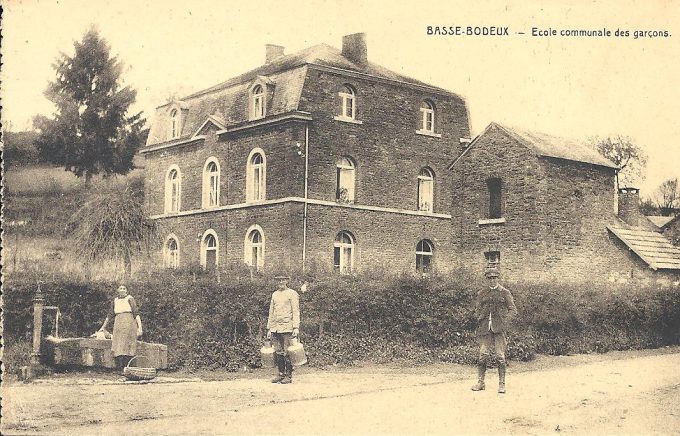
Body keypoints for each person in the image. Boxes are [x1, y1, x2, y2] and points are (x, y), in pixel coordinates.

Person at [471, 267, 518, 394]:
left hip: (499, 329)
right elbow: (477, 309)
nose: (492, 280)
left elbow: (513, 310)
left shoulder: (504, 292)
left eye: (494, 278)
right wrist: (479, 318)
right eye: (490, 278)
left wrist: (505, 322)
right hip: (485, 329)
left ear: (498, 278)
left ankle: (502, 384)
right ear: (487, 279)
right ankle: (481, 382)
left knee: (500, 357)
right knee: (483, 356)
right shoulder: (482, 293)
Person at [98, 285, 143, 370]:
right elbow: (110, 315)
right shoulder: (115, 300)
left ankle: (127, 368)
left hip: (129, 323)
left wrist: (140, 327)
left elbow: (136, 313)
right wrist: (103, 327)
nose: (122, 290)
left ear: (126, 291)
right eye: (120, 288)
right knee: (118, 345)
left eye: (124, 288)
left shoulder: (130, 299)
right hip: (118, 324)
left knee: (127, 344)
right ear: (118, 290)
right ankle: (119, 368)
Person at [266, 275, 300, 384]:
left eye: (283, 280)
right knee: (278, 352)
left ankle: (288, 376)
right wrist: (269, 328)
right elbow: (271, 312)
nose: (280, 282)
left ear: (287, 281)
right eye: (278, 280)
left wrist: (296, 327)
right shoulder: (274, 294)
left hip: (287, 327)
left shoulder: (292, 293)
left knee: (287, 352)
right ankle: (280, 374)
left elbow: (296, 311)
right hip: (275, 327)